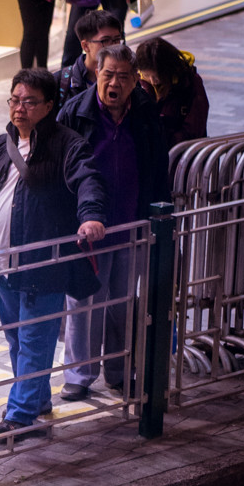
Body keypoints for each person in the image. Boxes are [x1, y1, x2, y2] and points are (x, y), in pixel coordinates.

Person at [0, 67, 106, 438]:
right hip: (3, 266)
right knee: (17, 339)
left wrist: (92, 217)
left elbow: (88, 181)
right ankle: (37, 400)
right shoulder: (0, 145)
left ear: (49, 106)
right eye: (15, 100)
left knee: (35, 339)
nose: (20, 108)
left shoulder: (68, 144)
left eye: (30, 102)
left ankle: (20, 417)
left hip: (41, 263)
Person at [58, 43, 172, 400]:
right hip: (87, 228)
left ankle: (120, 370)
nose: (115, 84)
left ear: (135, 80)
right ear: (97, 74)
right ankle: (79, 374)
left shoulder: (145, 111)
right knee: (83, 304)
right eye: (108, 75)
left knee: (122, 302)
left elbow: (158, 165)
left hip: (131, 225)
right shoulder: (75, 113)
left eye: (124, 77)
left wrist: (159, 214)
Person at [134, 37, 209, 148]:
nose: (153, 81)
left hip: (183, 156)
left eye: (156, 76)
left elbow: (194, 127)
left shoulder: (190, 82)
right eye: (147, 75)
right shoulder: (138, 82)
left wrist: (163, 145)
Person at [56, 8, 124, 108]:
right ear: (85, 46)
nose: (114, 46)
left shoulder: (128, 76)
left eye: (117, 40)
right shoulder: (61, 83)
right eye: (105, 41)